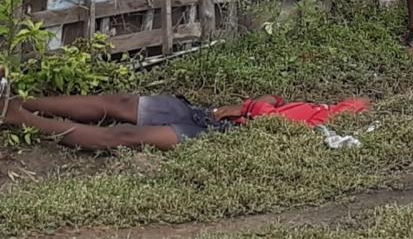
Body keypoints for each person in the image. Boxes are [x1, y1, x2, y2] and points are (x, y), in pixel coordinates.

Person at [0, 87, 368, 151]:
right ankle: (24, 101)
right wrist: (253, 104)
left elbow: (277, 129)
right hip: (211, 117)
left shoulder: (331, 136)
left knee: (127, 136)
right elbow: (276, 102)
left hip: (219, 141)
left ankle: (16, 117)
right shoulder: (326, 111)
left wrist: (253, 110)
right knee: (122, 103)